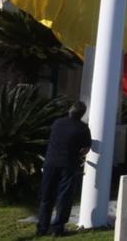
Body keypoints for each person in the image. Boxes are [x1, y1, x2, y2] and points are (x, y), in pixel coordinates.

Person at [36, 101, 91, 237]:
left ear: (69, 111)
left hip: (50, 163)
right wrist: (79, 155)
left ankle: (42, 228)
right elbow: (86, 149)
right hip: (68, 164)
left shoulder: (57, 123)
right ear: (82, 114)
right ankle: (57, 229)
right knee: (64, 197)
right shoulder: (83, 128)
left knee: (46, 196)